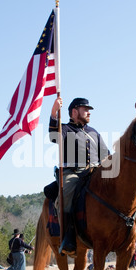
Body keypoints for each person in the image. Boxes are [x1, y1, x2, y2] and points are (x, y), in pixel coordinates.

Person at [49, 97, 110, 257]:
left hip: (95, 172)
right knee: (66, 195)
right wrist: (54, 112)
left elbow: (106, 154)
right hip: (73, 173)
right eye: (85, 109)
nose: (89, 112)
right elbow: (52, 137)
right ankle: (69, 237)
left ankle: (128, 228)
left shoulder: (93, 132)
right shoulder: (65, 129)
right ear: (74, 112)